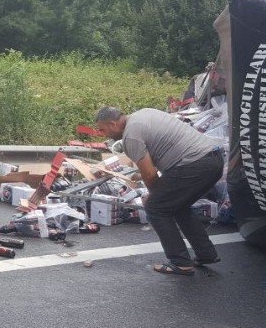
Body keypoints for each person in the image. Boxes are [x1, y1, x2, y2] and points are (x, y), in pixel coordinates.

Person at [95, 106, 224, 276]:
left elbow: (149, 174)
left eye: (103, 129)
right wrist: (161, 195)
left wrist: (155, 197)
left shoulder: (131, 136)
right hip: (214, 160)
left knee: (156, 208)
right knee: (177, 206)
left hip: (194, 164)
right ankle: (206, 254)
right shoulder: (144, 113)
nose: (104, 134)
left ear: (113, 123)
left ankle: (181, 262)